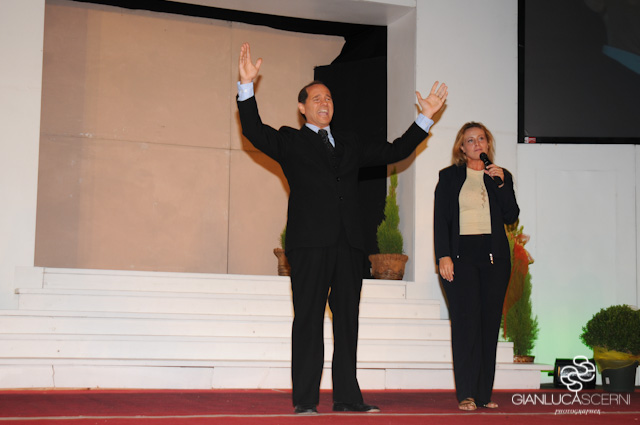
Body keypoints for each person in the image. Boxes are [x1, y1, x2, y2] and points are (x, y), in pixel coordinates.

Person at [237, 42, 447, 415]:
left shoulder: (350, 143)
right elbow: (254, 130)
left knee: (347, 322)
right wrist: (246, 86)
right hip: (309, 245)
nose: (325, 102)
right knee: (308, 321)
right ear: (302, 107)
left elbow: (395, 151)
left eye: (329, 98)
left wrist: (425, 119)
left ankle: (347, 397)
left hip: (349, 245)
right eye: (316, 98)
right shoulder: (290, 141)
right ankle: (305, 400)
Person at [433, 122, 519, 411]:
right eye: (470, 140)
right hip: (461, 257)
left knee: (488, 325)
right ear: (461, 147)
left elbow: (511, 216)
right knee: (466, 324)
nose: (477, 144)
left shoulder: (500, 176)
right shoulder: (449, 177)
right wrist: (443, 255)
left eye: (481, 139)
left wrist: (502, 184)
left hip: (495, 258)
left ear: (488, 143)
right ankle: (466, 393)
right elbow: (441, 220)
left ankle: (483, 394)